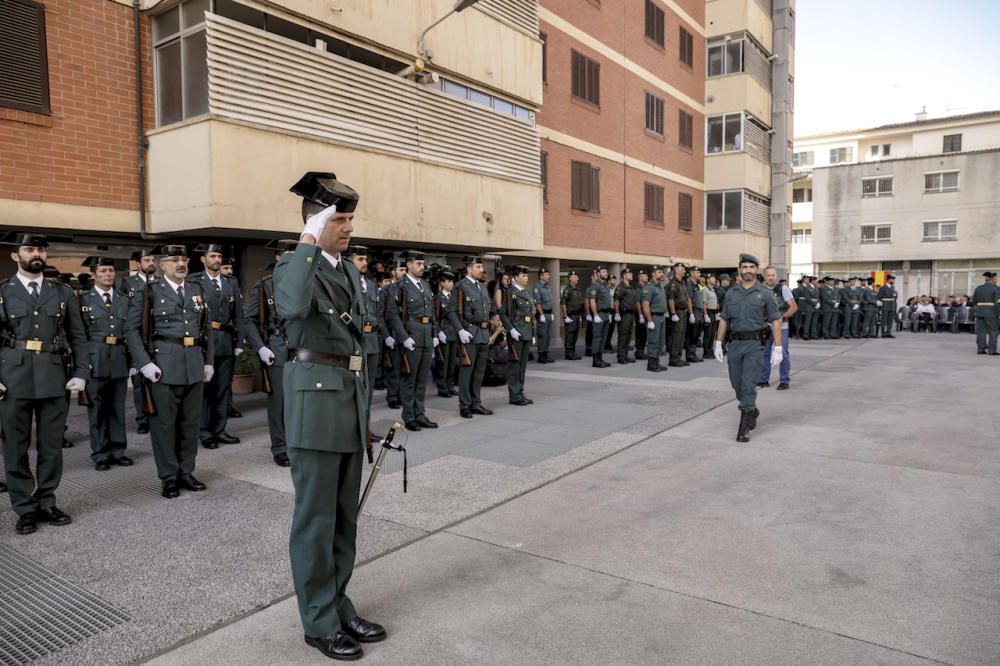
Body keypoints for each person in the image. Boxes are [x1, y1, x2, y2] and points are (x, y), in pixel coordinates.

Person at [275, 172, 385, 661]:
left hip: (346, 400)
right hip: (314, 405)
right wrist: (305, 243)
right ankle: (317, 621)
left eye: (349, 219)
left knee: (344, 520)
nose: (348, 227)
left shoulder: (349, 271)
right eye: (338, 219)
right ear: (314, 224)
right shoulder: (292, 266)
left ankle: (339, 606)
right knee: (316, 521)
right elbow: (293, 307)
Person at [0, 233, 88, 535]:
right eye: (29, 249)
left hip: (53, 375)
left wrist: (81, 372)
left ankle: (47, 500)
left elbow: (78, 336)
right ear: (16, 256)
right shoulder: (3, 292)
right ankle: (24, 507)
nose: (36, 253)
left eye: (40, 249)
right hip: (12, 379)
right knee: (15, 446)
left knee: (51, 446)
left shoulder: (62, 293)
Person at [125, 244, 214, 498]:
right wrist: (145, 363)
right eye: (174, 260)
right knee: (164, 425)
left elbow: (206, 329)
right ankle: (168, 477)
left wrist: (208, 361)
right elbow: (131, 330)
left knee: (190, 424)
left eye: (183, 259)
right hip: (163, 365)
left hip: (193, 364)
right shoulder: (149, 291)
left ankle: (186, 472)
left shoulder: (197, 290)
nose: (181, 264)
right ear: (162, 264)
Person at [713, 253, 782, 443]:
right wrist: (718, 342)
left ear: (756, 270)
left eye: (752, 267)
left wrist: (778, 347)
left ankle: (743, 428)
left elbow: (775, 320)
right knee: (737, 384)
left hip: (755, 345)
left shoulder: (765, 293)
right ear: (739, 270)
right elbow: (724, 319)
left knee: (748, 383)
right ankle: (752, 409)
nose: (748, 271)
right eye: (745, 267)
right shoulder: (731, 293)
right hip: (735, 344)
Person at [243, 239, 297, 467]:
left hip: (304, 349)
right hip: (278, 347)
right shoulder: (266, 284)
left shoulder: (306, 282)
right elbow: (249, 320)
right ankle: (280, 447)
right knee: (279, 402)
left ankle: (298, 444)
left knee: (301, 401)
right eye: (287, 254)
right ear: (277, 258)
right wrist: (261, 348)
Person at [78, 257, 133, 471]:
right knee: (97, 409)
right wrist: (82, 364)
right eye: (103, 271)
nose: (108, 274)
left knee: (118, 408)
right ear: (94, 274)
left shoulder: (124, 300)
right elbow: (78, 335)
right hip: (95, 358)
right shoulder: (82, 300)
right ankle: (100, 453)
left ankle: (118, 451)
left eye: (111, 270)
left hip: (119, 357)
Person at [189, 243, 243, 449]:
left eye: (219, 256)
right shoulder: (194, 281)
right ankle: (204, 432)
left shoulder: (231, 282)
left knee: (222, 389)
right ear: (203, 259)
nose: (217, 259)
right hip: (205, 342)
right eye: (213, 256)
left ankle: (219, 430)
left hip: (226, 341)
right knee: (204, 390)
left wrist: (239, 341)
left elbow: (238, 313)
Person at [388, 251, 440, 432]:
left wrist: (434, 333)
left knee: (422, 379)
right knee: (409, 378)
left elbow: (431, 312)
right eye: (418, 263)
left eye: (422, 264)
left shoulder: (425, 285)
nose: (422, 267)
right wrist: (404, 338)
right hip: (412, 335)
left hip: (425, 336)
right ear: (409, 265)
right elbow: (394, 315)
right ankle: (409, 416)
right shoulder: (400, 286)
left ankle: (420, 414)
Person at [451, 256, 494, 419]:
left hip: (483, 334)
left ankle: (476, 403)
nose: (481, 270)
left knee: (479, 372)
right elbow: (451, 311)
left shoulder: (482, 287)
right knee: (466, 372)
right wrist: (460, 330)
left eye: (481, 267)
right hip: (470, 333)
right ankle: (464, 405)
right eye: (478, 267)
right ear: (469, 269)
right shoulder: (461, 286)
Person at [122, 247, 158, 434]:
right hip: (136, 337)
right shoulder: (127, 283)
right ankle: (142, 419)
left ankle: (156, 415)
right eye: (147, 260)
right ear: (138, 264)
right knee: (139, 382)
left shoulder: (160, 283)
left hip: (156, 338)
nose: (151, 263)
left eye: (153, 260)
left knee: (158, 379)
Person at [499, 265, 535, 405]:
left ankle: (520, 392)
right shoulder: (510, 292)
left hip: (526, 332)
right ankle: (514, 395)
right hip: (517, 333)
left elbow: (531, 315)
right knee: (514, 365)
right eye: (523, 276)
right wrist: (511, 329)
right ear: (515, 277)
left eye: (526, 276)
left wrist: (532, 332)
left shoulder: (527, 293)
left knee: (522, 366)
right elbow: (503, 313)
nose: (526, 278)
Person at [758, 267, 797, 390]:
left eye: (773, 275)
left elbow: (793, 307)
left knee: (783, 352)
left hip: (781, 327)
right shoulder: (759, 289)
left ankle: (784, 380)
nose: (771, 277)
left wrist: (781, 317)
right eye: (768, 275)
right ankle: (764, 379)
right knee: (764, 352)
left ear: (776, 276)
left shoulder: (783, 289)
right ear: (764, 276)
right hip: (765, 327)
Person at [382, 259, 406, 409]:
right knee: (394, 370)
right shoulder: (387, 290)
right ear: (393, 272)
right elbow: (380, 315)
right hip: (393, 333)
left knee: (406, 369)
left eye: (404, 270)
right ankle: (392, 397)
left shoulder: (408, 288)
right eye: (400, 270)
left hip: (409, 334)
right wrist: (386, 335)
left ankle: (403, 396)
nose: (403, 273)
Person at [434, 269, 459, 396]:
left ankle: (450, 386)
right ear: (442, 283)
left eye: (452, 281)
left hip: (453, 332)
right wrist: (438, 332)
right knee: (443, 362)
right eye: (448, 281)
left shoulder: (454, 297)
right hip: (444, 332)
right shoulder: (438, 298)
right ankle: (442, 387)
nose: (451, 284)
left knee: (452, 362)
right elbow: (435, 317)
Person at [640, 265, 668, 372]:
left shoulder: (660, 286)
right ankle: (651, 364)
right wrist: (650, 320)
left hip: (661, 316)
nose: (662, 274)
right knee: (653, 341)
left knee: (660, 342)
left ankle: (656, 362)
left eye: (662, 272)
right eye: (659, 272)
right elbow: (645, 304)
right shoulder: (649, 287)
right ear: (653, 274)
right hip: (654, 316)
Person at [586, 265, 613, 368]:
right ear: (598, 274)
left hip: (606, 314)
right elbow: (592, 301)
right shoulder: (595, 285)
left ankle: (600, 358)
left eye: (606, 271)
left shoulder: (605, 285)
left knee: (603, 338)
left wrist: (609, 313)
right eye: (603, 271)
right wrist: (595, 315)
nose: (606, 273)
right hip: (600, 314)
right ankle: (595, 360)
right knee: (597, 338)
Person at [666, 263, 690, 367]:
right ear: (676, 270)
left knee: (682, 335)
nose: (684, 271)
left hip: (683, 311)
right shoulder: (673, 283)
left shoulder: (682, 283)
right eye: (682, 269)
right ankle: (674, 359)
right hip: (677, 312)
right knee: (677, 335)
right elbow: (670, 299)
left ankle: (679, 357)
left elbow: (687, 298)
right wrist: (673, 313)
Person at [972, 271, 1000, 354]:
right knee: (993, 331)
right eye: (995, 278)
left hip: (980, 312)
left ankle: (980, 349)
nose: (996, 280)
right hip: (992, 312)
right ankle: (992, 350)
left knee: (981, 331)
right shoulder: (996, 289)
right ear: (992, 279)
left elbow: (974, 301)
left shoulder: (978, 288)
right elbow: (998, 302)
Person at [613, 267, 636, 364]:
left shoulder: (630, 287)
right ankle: (621, 356)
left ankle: (625, 355)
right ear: (624, 276)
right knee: (623, 335)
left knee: (629, 335)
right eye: (629, 274)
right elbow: (616, 300)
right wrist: (617, 313)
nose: (631, 275)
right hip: (624, 314)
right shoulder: (620, 287)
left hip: (631, 314)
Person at [533, 268, 555, 364]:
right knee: (543, 336)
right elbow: (537, 303)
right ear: (541, 276)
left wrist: (552, 313)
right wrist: (541, 314)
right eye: (546, 275)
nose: (548, 276)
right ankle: (541, 356)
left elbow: (550, 302)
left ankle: (546, 354)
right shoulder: (537, 287)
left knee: (548, 336)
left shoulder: (547, 287)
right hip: (543, 314)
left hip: (549, 313)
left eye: (548, 274)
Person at [560, 270, 584, 360]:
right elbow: (563, 303)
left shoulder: (577, 289)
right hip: (570, 315)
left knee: (575, 335)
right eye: (575, 277)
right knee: (570, 335)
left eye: (577, 277)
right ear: (570, 278)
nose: (577, 278)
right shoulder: (567, 290)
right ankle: (569, 353)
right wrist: (565, 316)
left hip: (577, 315)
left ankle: (572, 352)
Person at [685, 266, 707, 363]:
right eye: (697, 272)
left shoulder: (697, 285)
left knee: (697, 333)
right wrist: (691, 314)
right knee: (692, 334)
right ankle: (690, 354)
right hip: (694, 310)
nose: (699, 274)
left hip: (699, 311)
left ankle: (693, 353)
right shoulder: (689, 285)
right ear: (692, 273)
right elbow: (689, 299)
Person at [633, 269, 649, 360]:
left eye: (647, 276)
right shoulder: (639, 288)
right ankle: (639, 352)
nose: (647, 277)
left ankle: (641, 351)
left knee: (644, 334)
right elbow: (637, 302)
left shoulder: (645, 287)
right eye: (645, 276)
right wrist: (640, 315)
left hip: (645, 313)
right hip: (641, 313)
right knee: (641, 333)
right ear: (640, 277)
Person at [703, 273, 720, 357]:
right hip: (708, 312)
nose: (714, 279)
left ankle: (710, 349)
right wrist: (705, 315)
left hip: (713, 312)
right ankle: (706, 351)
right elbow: (704, 303)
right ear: (708, 280)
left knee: (712, 333)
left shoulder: (713, 289)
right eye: (712, 278)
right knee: (708, 333)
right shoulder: (705, 289)